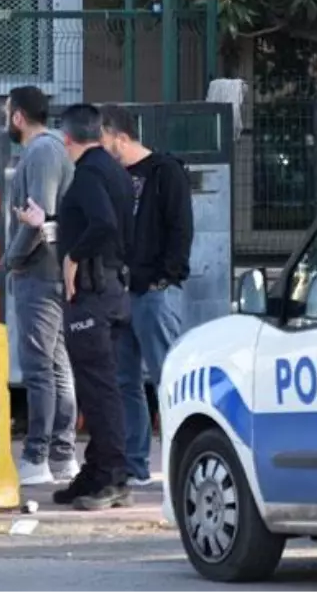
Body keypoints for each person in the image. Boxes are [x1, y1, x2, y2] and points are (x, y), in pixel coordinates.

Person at [18, 103, 134, 511]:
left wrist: (72, 258)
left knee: (99, 390)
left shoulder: (87, 176)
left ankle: (113, 476)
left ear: (68, 140)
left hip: (93, 293)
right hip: (112, 288)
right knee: (96, 385)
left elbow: (101, 224)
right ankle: (97, 469)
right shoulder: (113, 170)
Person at [100, 104, 193, 487]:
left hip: (153, 292)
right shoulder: (117, 176)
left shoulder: (164, 172)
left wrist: (165, 277)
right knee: (125, 380)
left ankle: (176, 462)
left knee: (166, 378)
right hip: (123, 292)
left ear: (119, 136)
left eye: (103, 141)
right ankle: (136, 463)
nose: (100, 151)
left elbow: (180, 227)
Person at [1, 85, 79, 486]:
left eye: (6, 113)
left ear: (18, 117)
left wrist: (12, 258)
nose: (4, 120)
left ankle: (39, 455)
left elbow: (39, 215)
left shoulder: (42, 151)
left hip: (40, 272)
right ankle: (62, 455)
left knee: (40, 367)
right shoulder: (47, 150)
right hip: (49, 270)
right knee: (54, 362)